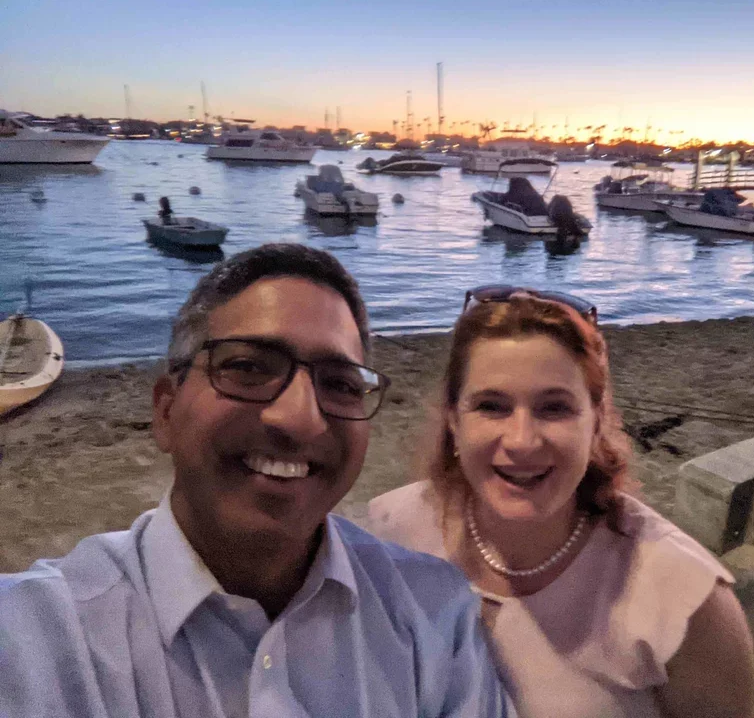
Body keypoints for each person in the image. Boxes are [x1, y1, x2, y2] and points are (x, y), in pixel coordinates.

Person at [0, 245, 513, 717]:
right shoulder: (32, 637)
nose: (300, 419)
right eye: (247, 367)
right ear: (165, 411)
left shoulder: (434, 615)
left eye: (339, 383)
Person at [369, 285, 754, 718]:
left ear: (595, 426)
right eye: (491, 406)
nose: (521, 441)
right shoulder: (391, 535)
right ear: (453, 423)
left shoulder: (685, 604)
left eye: (554, 408)